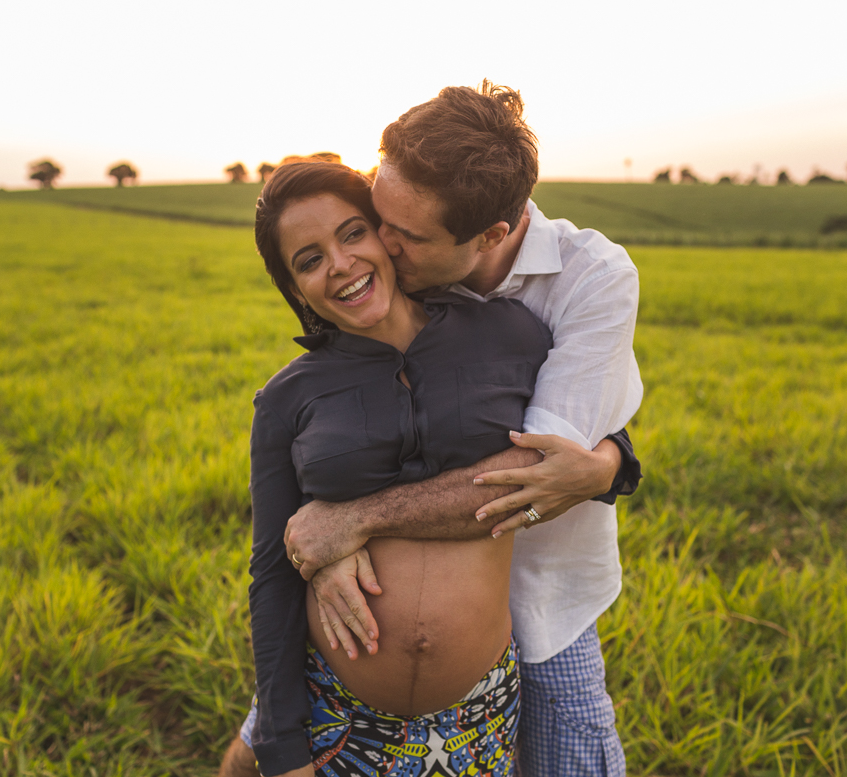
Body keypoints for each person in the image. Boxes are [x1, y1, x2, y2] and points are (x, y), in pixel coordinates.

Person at [224, 81, 642, 777]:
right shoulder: (377, 289)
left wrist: (609, 462)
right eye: (375, 215)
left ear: (488, 239)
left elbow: (532, 476)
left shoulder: (572, 292)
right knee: (263, 743)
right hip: (350, 660)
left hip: (541, 591)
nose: (378, 247)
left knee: (575, 751)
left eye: (399, 235)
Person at [243, 159, 555, 777]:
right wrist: (283, 751)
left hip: (479, 712)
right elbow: (273, 577)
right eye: (308, 260)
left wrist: (611, 457)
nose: (339, 264)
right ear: (294, 287)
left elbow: (591, 437)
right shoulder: (286, 398)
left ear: (387, 234)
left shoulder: (510, 334)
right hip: (338, 713)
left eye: (352, 233)